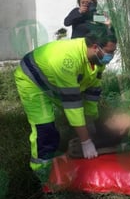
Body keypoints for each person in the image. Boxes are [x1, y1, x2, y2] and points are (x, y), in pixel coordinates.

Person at [14, 25, 117, 174]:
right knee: (45, 125)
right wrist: (86, 141)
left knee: (76, 118)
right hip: (32, 80)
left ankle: (70, 142)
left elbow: (92, 91)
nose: (112, 56)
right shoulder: (67, 60)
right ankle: (42, 170)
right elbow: (73, 105)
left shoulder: (97, 60)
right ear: (95, 47)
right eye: (110, 52)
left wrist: (90, 121)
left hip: (54, 79)